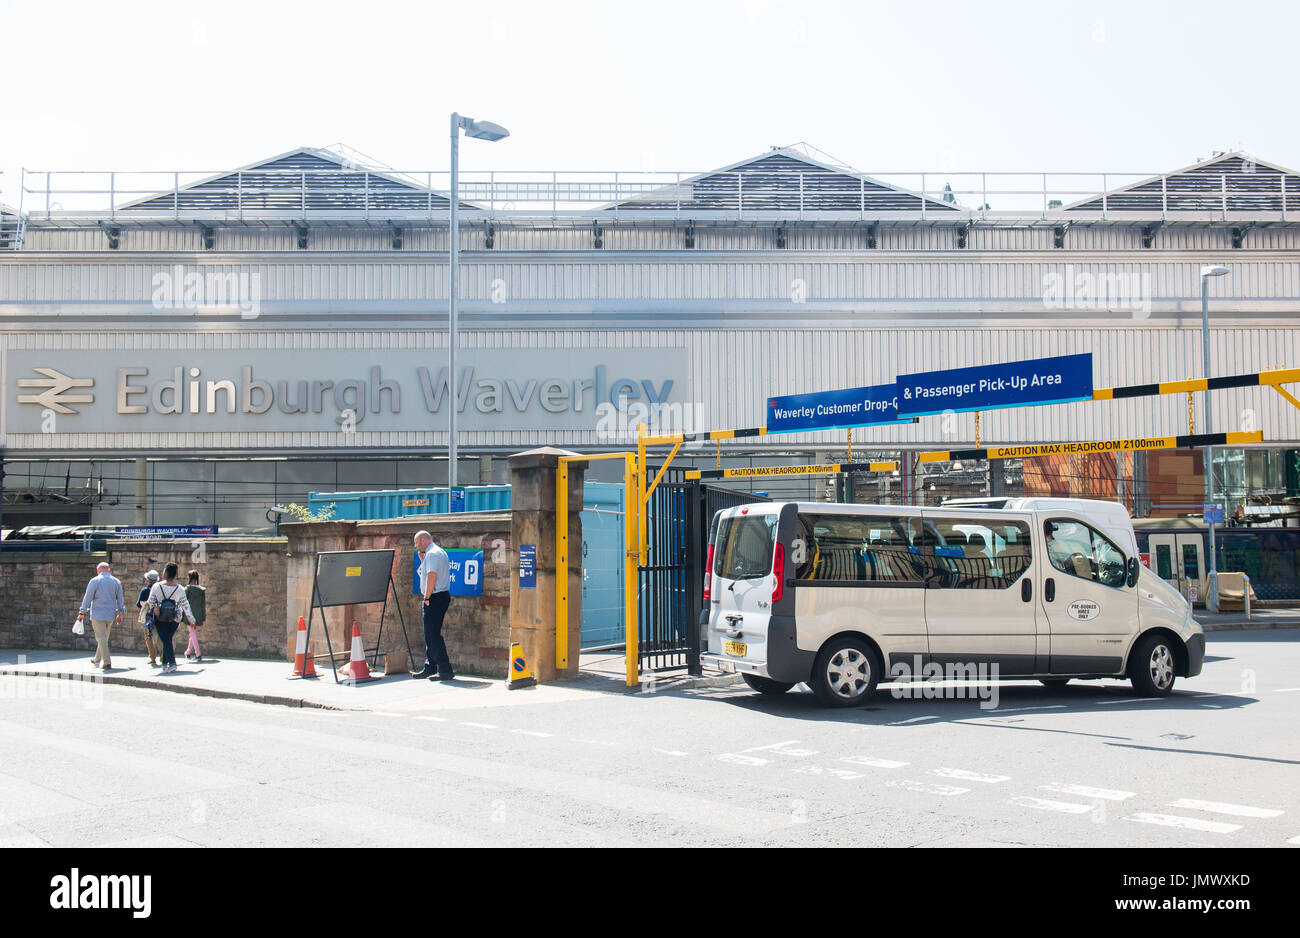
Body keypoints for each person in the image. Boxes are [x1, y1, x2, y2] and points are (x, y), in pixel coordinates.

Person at [412, 530, 455, 681]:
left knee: (432, 634)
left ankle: (445, 669)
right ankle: (430, 666)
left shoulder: (433, 554)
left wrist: (427, 597)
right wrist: (422, 560)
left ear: (424, 540)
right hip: (439, 596)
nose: (415, 546)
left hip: (435, 597)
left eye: (416, 543)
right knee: (430, 633)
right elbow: (428, 572)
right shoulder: (437, 552)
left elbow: (432, 576)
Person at [147, 562, 195, 674]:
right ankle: (164, 664)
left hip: (160, 617)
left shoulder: (156, 586)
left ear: (166, 573)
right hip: (175, 618)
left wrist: (154, 608)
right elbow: (186, 606)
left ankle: (172, 663)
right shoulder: (180, 589)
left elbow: (150, 602)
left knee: (166, 639)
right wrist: (192, 620)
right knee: (167, 639)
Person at [77, 561, 125, 670]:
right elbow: (120, 599)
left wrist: (82, 612)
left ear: (98, 570)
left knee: (101, 638)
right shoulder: (116, 582)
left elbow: (88, 597)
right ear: (109, 570)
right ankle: (96, 659)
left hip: (98, 614)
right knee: (104, 637)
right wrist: (120, 613)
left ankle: (107, 662)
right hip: (110, 615)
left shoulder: (95, 581)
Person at [136, 570, 161, 667]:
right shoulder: (160, 590)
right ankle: (163, 656)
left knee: (148, 637)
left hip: (148, 617)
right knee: (159, 636)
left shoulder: (144, 591)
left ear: (147, 580)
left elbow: (138, 604)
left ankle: (152, 658)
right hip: (158, 615)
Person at [184, 570, 206, 663]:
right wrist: (203, 617)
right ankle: (188, 652)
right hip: (199, 614)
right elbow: (203, 604)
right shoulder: (201, 590)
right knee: (192, 633)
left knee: (193, 633)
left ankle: (198, 654)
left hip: (189, 615)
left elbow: (184, 603)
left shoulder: (187, 589)